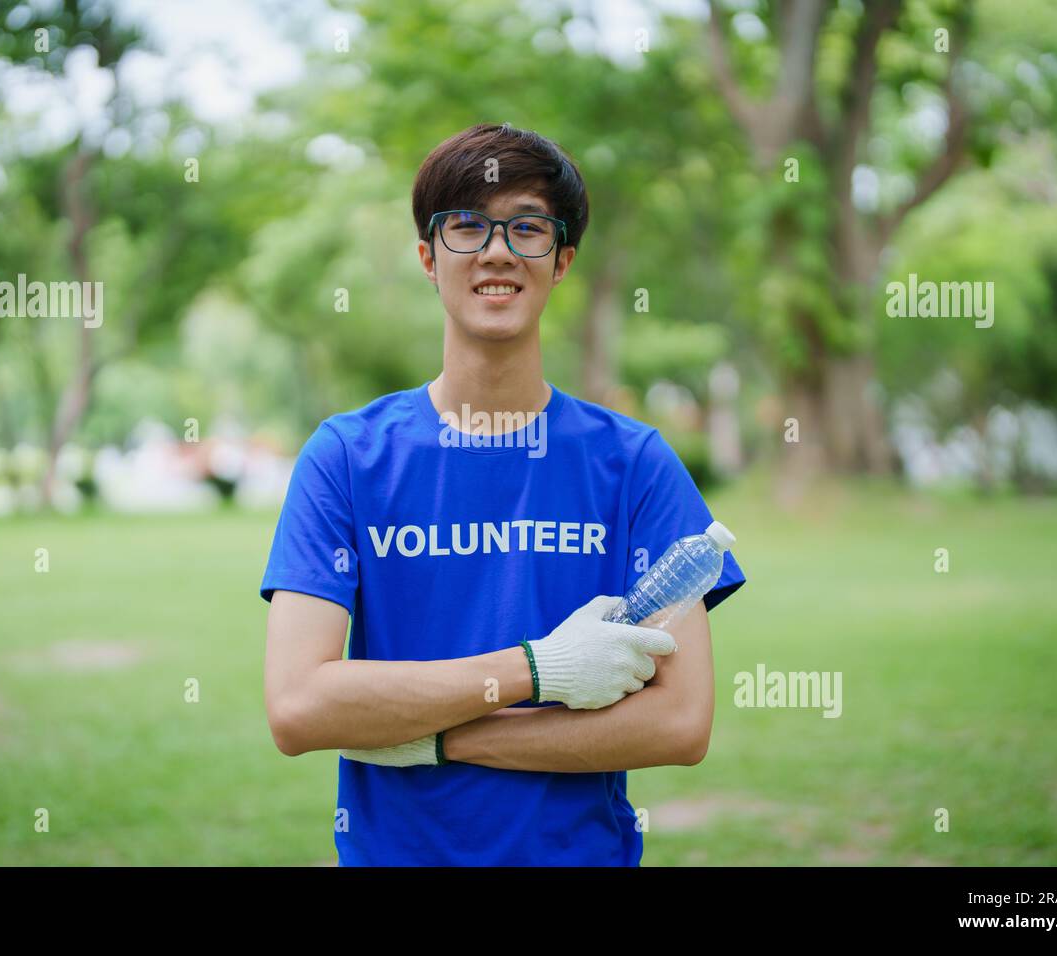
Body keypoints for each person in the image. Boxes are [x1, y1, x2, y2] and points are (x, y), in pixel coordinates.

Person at [260, 122, 745, 866]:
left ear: (562, 261)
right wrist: (539, 670)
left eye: (527, 228)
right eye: (466, 226)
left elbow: (680, 723)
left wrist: (437, 739)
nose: (497, 251)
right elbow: (298, 707)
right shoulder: (347, 457)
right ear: (427, 257)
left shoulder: (636, 464)